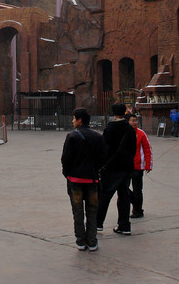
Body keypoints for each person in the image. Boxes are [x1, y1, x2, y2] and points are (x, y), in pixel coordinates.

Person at [61, 107, 105, 251]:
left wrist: (68, 174)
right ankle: (92, 241)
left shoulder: (72, 136)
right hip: (92, 180)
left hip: (75, 181)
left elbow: (65, 159)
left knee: (78, 212)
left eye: (74, 118)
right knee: (92, 211)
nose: (72, 121)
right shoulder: (98, 137)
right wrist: (95, 171)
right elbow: (102, 159)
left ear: (79, 120)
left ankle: (80, 241)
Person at [96, 103, 136, 235]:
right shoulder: (130, 129)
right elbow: (133, 149)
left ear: (113, 113)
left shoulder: (110, 128)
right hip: (126, 167)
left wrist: (102, 164)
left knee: (105, 195)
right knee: (124, 195)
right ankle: (124, 225)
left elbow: (105, 149)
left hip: (112, 167)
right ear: (125, 112)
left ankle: (98, 224)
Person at [128, 113, 152, 218]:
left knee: (137, 189)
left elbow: (147, 149)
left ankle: (137, 210)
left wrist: (148, 165)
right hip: (126, 166)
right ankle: (136, 203)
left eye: (135, 120)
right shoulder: (124, 133)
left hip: (138, 166)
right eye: (132, 120)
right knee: (123, 188)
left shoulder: (141, 133)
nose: (135, 123)